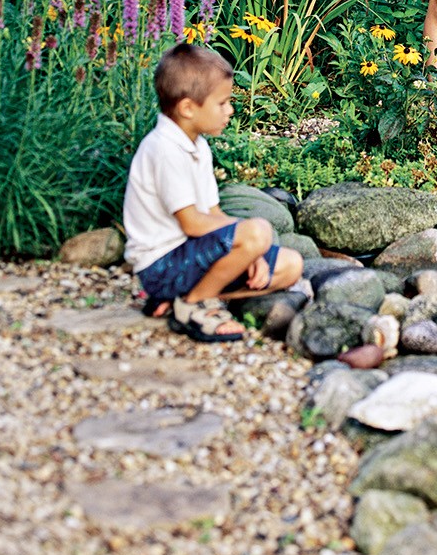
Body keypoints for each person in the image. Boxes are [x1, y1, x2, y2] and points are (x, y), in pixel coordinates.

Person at [123, 43, 304, 343]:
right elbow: (193, 223)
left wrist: (249, 253)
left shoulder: (197, 145)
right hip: (161, 266)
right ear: (188, 108)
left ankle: (187, 297)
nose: (230, 110)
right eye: (222, 103)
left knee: (291, 265)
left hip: (192, 258)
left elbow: (214, 212)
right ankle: (194, 306)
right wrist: (250, 239)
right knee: (259, 231)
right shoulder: (164, 149)